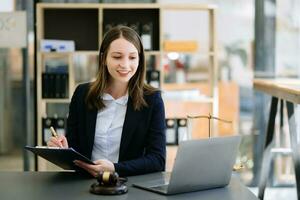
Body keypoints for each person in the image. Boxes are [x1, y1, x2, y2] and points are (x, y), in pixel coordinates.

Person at [47, 25, 166, 177]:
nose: (125, 64)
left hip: (129, 185)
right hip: (85, 183)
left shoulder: (152, 99)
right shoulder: (82, 94)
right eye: (117, 57)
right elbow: (75, 150)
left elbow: (157, 160)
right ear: (103, 58)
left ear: (140, 59)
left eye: (132, 57)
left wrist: (115, 168)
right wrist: (63, 150)